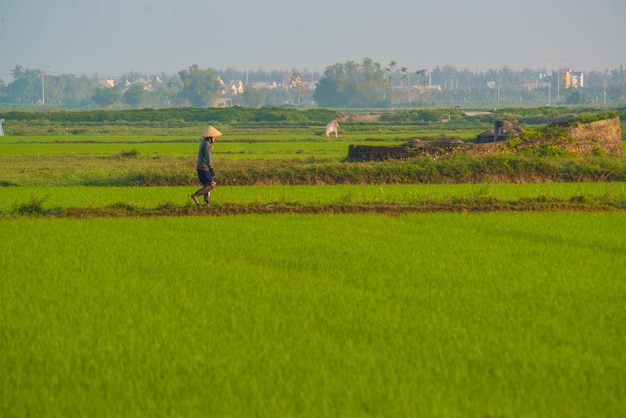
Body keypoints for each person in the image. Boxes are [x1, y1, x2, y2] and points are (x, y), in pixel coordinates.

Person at [191, 125, 221, 206]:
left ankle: (206, 204)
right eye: (214, 137)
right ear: (210, 137)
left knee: (207, 186)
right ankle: (196, 195)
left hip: (201, 167)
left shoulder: (203, 142)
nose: (215, 138)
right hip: (204, 167)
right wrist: (211, 168)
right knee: (211, 184)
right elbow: (208, 157)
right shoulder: (207, 144)